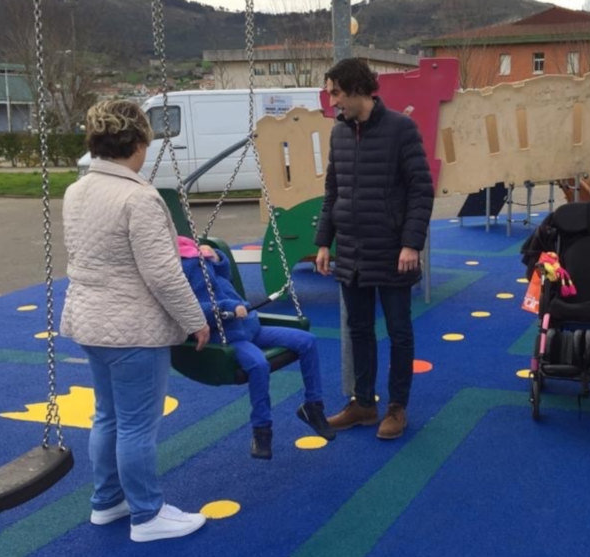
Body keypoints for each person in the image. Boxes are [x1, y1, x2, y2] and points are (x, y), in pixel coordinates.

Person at [60, 100, 210, 542]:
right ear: (138, 143)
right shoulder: (137, 197)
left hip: (90, 322)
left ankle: (107, 501)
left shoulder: (77, 190)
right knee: (136, 425)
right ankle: (147, 515)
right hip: (131, 328)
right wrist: (194, 320)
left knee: (107, 416)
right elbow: (162, 273)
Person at [314, 57, 434, 440]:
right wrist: (323, 242)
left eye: (336, 93)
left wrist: (411, 243)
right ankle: (364, 404)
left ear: (357, 89)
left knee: (399, 332)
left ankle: (397, 407)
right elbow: (333, 191)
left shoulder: (401, 129)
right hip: (351, 250)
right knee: (359, 330)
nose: (332, 102)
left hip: (392, 250)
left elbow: (421, 189)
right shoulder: (339, 133)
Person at [177, 236, 335, 460]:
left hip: (251, 327)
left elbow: (226, 280)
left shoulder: (203, 262)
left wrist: (218, 258)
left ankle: (313, 407)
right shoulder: (182, 273)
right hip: (230, 338)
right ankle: (262, 430)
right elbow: (191, 311)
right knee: (259, 364)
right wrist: (228, 307)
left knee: (307, 341)